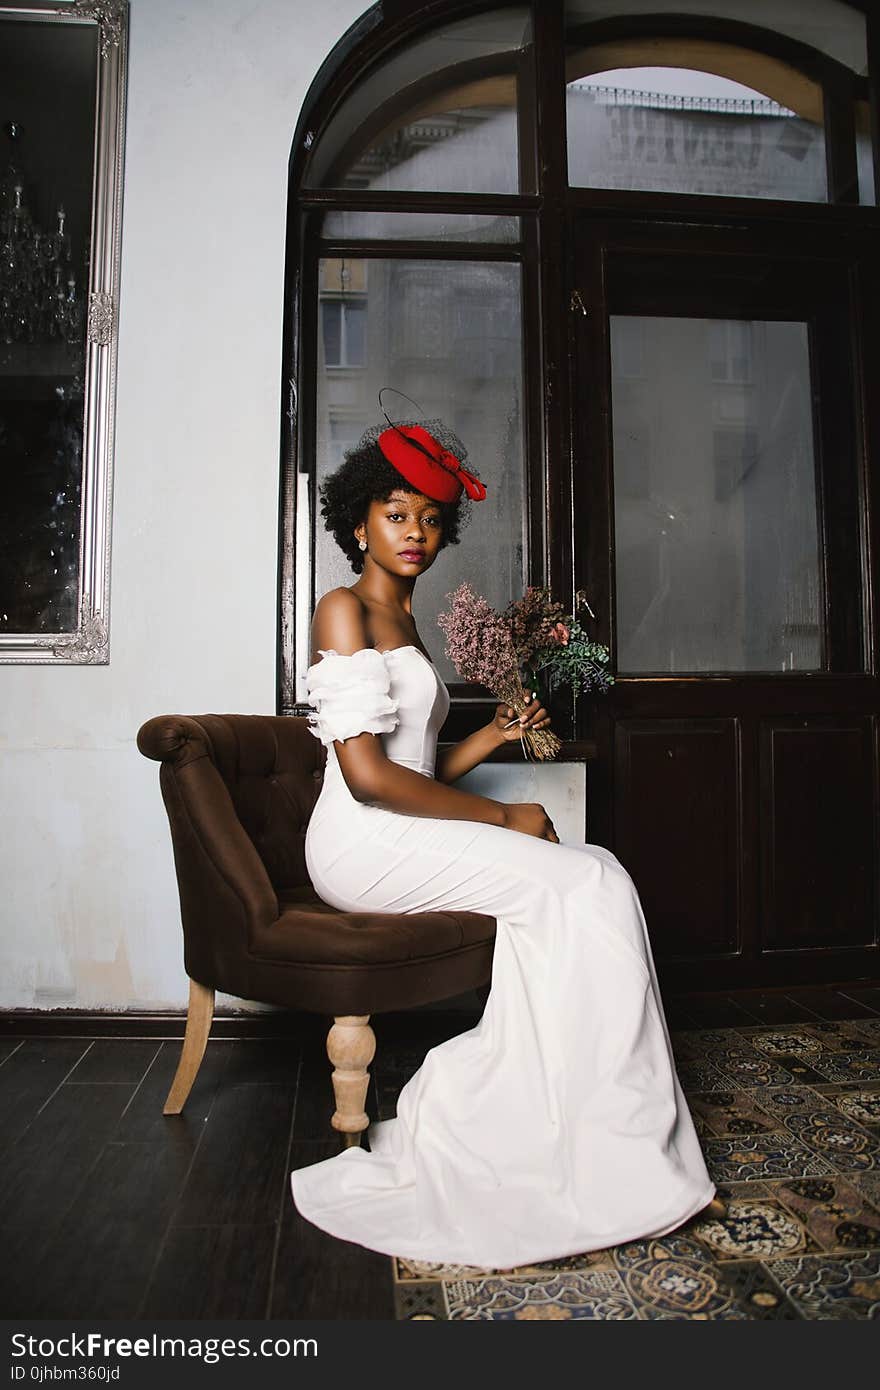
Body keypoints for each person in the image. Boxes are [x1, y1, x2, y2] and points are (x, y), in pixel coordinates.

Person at [289, 416, 721, 1270]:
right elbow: (369, 777)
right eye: (395, 514)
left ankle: (561, 1120)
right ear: (357, 524)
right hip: (358, 842)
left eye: (430, 519)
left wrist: (491, 742)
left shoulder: (404, 623)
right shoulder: (344, 610)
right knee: (585, 886)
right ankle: (584, 1139)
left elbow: (417, 765)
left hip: (398, 826)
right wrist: (508, 815)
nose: (415, 533)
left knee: (594, 871)